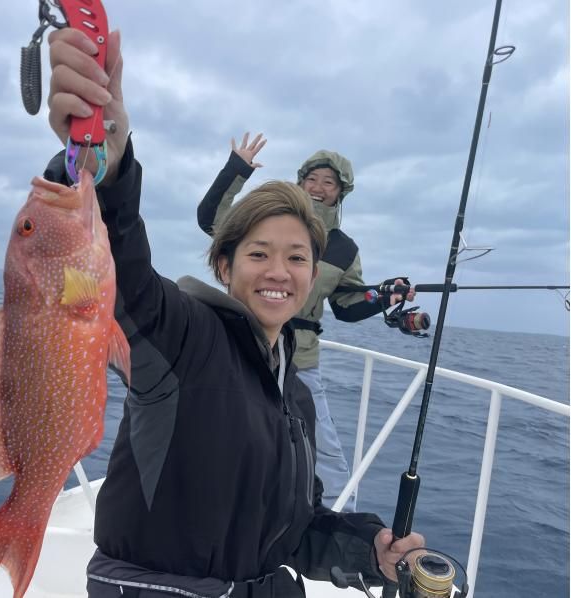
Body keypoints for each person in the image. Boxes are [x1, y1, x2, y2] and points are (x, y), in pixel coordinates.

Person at [44, 26, 424, 598]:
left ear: (313, 273)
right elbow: (121, 280)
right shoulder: (181, 339)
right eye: (258, 254)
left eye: (297, 257)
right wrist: (101, 162)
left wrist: (369, 549)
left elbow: (290, 533)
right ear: (224, 267)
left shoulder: (292, 393)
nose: (279, 271)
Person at [197, 134, 417, 512]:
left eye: (328, 183)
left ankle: (333, 521)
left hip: (301, 361)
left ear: (341, 192)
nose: (318, 188)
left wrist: (383, 297)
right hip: (239, 345)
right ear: (300, 182)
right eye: (312, 179)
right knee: (221, 430)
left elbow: (347, 304)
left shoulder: (345, 249)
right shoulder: (268, 221)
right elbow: (211, 218)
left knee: (322, 448)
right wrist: (238, 168)